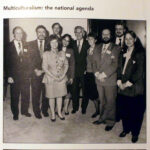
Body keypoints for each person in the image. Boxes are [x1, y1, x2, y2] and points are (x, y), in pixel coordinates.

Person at [117, 31, 146, 143]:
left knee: (136, 112)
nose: (128, 41)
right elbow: (119, 68)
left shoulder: (140, 53)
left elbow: (139, 72)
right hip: (122, 86)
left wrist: (126, 83)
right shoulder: (123, 51)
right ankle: (126, 129)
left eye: (130, 38)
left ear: (135, 39)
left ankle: (135, 133)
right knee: (124, 110)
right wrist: (119, 81)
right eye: (126, 38)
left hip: (134, 86)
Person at [93, 28, 121, 131]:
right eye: (103, 34)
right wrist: (96, 73)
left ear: (111, 35)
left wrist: (104, 75)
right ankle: (102, 118)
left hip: (109, 79)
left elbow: (115, 64)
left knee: (110, 101)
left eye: (107, 34)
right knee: (102, 100)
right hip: (98, 79)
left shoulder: (116, 48)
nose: (105, 36)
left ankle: (110, 121)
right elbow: (93, 63)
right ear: (101, 35)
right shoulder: (97, 47)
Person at [6, 26, 31, 120]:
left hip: (25, 75)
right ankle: (15, 113)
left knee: (26, 94)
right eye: (17, 33)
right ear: (13, 34)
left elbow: (29, 61)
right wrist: (8, 76)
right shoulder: (8, 46)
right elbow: (6, 62)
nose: (19, 35)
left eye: (21, 33)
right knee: (15, 95)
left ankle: (24, 111)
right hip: (14, 75)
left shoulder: (26, 45)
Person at [42, 35, 68, 121]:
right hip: (50, 78)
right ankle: (53, 113)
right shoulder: (46, 53)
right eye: (52, 42)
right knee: (51, 96)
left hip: (61, 78)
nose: (54, 44)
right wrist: (54, 77)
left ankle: (59, 112)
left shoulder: (62, 52)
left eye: (56, 42)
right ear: (49, 43)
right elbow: (44, 68)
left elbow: (66, 65)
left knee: (60, 96)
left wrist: (63, 75)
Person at [28, 25, 50, 119]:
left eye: (43, 32)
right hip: (35, 73)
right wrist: (35, 70)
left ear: (45, 33)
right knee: (36, 93)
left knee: (46, 92)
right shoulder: (30, 44)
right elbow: (28, 60)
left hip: (47, 73)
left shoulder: (49, 44)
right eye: (39, 32)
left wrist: (45, 70)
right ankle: (36, 111)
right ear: (36, 33)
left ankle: (44, 110)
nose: (41, 34)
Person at [72, 26, 90, 114]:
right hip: (74, 71)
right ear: (74, 33)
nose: (78, 34)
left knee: (85, 90)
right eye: (76, 32)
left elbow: (90, 58)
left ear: (83, 33)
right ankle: (75, 107)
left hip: (84, 71)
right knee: (74, 90)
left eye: (80, 32)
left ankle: (84, 108)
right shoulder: (72, 43)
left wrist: (87, 69)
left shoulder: (88, 43)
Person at [86, 32, 100, 118]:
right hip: (88, 73)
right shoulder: (88, 50)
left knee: (97, 94)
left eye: (91, 39)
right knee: (92, 93)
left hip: (95, 74)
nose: (89, 40)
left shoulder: (98, 50)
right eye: (88, 39)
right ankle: (97, 110)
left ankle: (99, 110)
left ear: (95, 40)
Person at [61, 34, 75, 115]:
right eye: (64, 40)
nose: (65, 42)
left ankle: (66, 108)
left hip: (68, 75)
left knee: (67, 92)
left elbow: (72, 64)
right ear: (61, 40)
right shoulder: (57, 48)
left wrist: (72, 77)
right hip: (58, 75)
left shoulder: (70, 51)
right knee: (59, 92)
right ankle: (58, 108)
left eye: (68, 41)